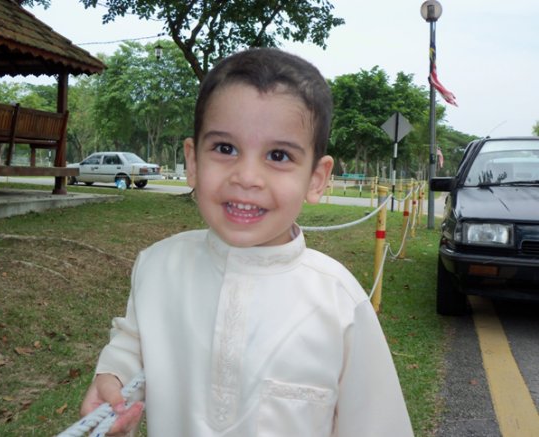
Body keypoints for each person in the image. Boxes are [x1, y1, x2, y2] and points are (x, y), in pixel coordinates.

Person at [80, 47, 414, 437]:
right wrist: (114, 377)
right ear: (193, 162)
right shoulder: (157, 266)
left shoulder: (340, 303)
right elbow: (133, 343)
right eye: (226, 149)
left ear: (316, 179)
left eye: (278, 155)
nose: (247, 177)